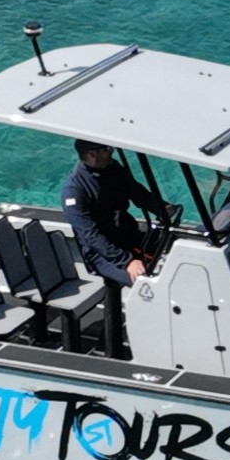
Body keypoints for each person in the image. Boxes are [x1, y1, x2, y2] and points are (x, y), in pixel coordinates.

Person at [62, 140, 168, 356]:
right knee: (146, 283)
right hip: (102, 255)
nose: (110, 153)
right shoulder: (74, 190)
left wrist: (160, 207)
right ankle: (141, 346)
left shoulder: (113, 168)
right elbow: (90, 236)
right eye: (105, 150)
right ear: (91, 155)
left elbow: (136, 191)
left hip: (128, 237)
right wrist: (126, 261)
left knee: (170, 256)